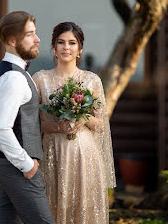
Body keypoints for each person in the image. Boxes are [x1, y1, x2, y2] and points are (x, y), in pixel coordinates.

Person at [33, 22, 116, 224]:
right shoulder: (40, 79)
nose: (66, 47)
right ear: (54, 47)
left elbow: (101, 125)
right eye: (61, 42)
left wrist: (83, 117)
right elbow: (33, 124)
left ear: (80, 49)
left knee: (83, 211)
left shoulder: (91, 80)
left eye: (72, 43)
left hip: (85, 156)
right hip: (53, 153)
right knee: (53, 208)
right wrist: (57, 126)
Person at [0, 11, 56, 224]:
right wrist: (27, 165)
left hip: (5, 164)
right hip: (16, 167)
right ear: (12, 40)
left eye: (35, 33)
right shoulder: (13, 78)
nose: (37, 39)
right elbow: (0, 128)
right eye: (30, 34)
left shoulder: (17, 72)